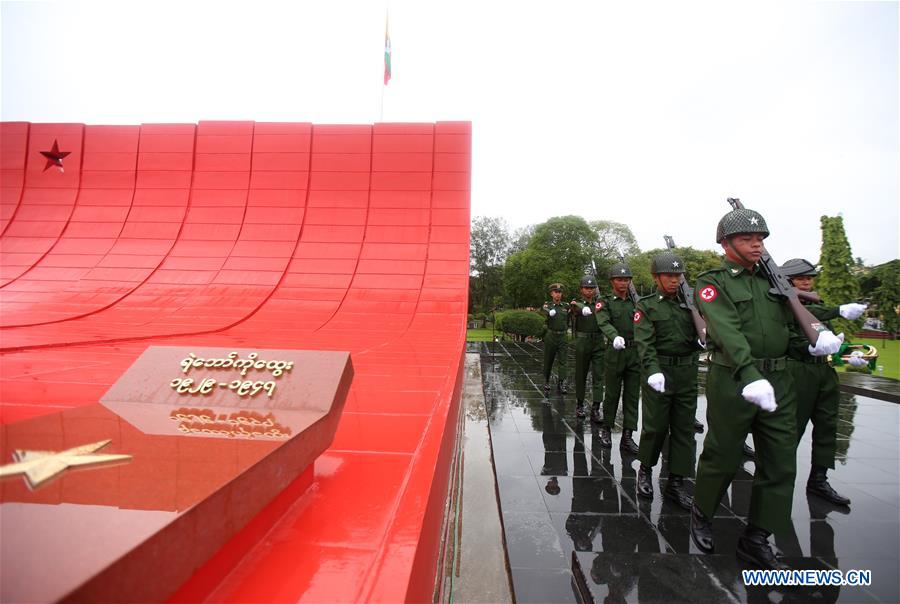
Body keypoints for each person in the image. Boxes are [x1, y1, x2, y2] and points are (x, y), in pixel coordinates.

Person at [690, 207, 844, 570]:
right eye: (747, 238)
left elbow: (791, 327)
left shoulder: (776, 283)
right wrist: (749, 372)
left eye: (760, 238)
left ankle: (757, 535)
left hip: (780, 379)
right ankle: (703, 512)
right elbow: (727, 331)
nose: (756, 244)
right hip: (734, 379)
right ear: (726, 243)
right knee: (723, 454)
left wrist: (813, 343)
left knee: (780, 460)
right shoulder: (713, 282)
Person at [781, 258, 867, 507]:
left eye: (810, 277)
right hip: (799, 371)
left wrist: (848, 354)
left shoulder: (815, 304)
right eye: (801, 278)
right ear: (788, 282)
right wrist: (810, 346)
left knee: (827, 425)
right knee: (791, 429)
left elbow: (827, 339)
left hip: (824, 372)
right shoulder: (785, 305)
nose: (807, 281)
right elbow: (787, 340)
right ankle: (779, 480)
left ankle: (819, 479)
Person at [633, 252, 702, 510]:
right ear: (656, 277)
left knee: (684, 429)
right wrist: (652, 369)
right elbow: (644, 341)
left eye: (678, 275)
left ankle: (675, 481)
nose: (674, 280)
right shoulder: (647, 306)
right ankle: (645, 470)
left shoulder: (692, 304)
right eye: (669, 276)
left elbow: (704, 334)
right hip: (659, 373)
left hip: (686, 373)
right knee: (655, 426)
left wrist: (703, 340)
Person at [595, 262, 640, 453]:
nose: (624, 283)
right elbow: (603, 322)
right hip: (615, 352)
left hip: (634, 352)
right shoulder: (605, 302)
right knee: (612, 394)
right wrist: (614, 336)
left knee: (632, 395)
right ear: (612, 281)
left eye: (627, 279)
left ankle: (628, 435)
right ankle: (606, 428)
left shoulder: (636, 302)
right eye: (620, 279)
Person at [570, 275, 605, 419]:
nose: (590, 291)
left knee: (599, 375)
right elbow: (573, 306)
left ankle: (596, 407)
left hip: (598, 342)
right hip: (583, 342)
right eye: (587, 288)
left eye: (592, 288)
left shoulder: (601, 303)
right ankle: (580, 405)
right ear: (581, 289)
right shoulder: (577, 303)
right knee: (581, 375)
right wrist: (582, 307)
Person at [541, 283, 570, 393]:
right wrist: (549, 312)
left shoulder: (565, 306)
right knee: (549, 359)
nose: (558, 294)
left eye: (560, 292)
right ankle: (547, 381)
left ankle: (561, 383)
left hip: (562, 336)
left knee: (563, 361)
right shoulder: (547, 306)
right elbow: (543, 310)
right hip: (551, 336)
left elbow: (568, 319)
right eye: (556, 292)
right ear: (551, 294)